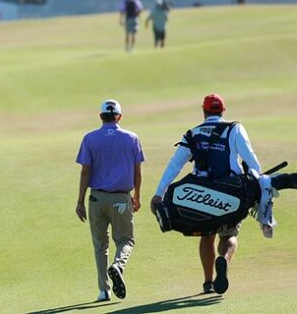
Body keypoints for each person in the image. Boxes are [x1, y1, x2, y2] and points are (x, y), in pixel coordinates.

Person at [150, 94, 261, 295]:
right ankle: (224, 260)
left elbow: (175, 165)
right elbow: (252, 162)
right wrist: (257, 183)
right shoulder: (234, 128)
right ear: (223, 111)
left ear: (204, 111)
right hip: (229, 193)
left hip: (200, 194)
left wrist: (159, 194)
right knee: (229, 235)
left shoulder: (192, 134)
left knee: (207, 235)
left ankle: (208, 283)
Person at [76, 99, 145, 302]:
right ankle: (118, 265)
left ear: (100, 116)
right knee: (125, 240)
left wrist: (80, 202)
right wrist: (137, 197)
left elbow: (85, 172)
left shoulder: (90, 139)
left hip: (96, 199)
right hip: (121, 198)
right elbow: (138, 173)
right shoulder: (132, 138)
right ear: (119, 116)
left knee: (100, 245)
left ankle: (103, 290)